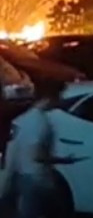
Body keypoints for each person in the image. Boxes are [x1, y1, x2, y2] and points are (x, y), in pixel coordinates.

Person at [4, 78, 72, 218]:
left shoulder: (24, 119)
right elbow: (36, 155)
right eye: (58, 96)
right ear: (49, 98)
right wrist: (62, 160)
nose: (60, 100)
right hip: (36, 178)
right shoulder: (39, 122)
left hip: (25, 175)